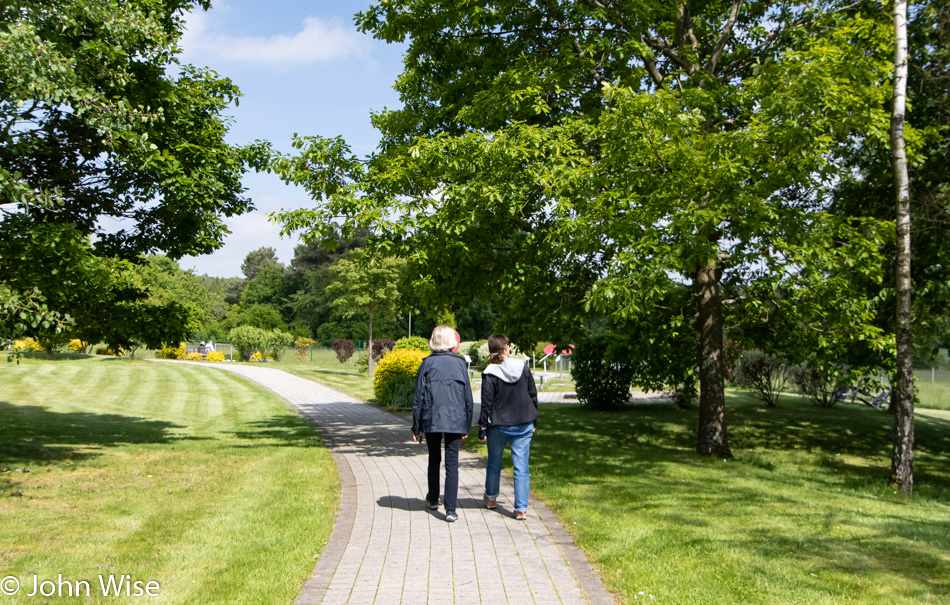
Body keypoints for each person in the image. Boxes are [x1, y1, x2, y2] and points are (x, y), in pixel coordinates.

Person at [412, 325, 474, 523]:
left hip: (432, 418)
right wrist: (466, 424)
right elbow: (468, 398)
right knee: (452, 464)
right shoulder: (460, 364)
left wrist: (416, 426)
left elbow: (418, 398)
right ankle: (451, 509)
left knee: (434, 459)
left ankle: (432, 498)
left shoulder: (427, 364)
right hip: (455, 419)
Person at [478, 334, 538, 520]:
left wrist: (482, 427)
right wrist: (534, 420)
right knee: (521, 467)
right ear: (506, 347)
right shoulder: (522, 367)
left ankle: (491, 499)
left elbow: (486, 402)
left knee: (494, 463)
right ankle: (521, 508)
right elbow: (532, 394)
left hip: (498, 425)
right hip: (523, 422)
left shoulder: (490, 372)